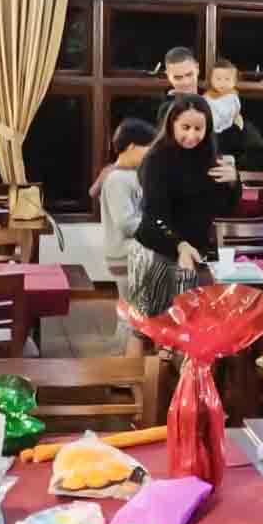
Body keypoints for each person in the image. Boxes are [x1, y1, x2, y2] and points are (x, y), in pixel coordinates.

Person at [124, 94, 240, 320]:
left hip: (193, 255)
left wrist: (234, 183)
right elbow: (154, 216)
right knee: (151, 326)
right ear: (172, 125)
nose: (192, 135)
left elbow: (225, 208)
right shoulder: (156, 160)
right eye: (185, 127)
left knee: (190, 326)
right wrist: (179, 244)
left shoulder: (209, 158)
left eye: (199, 128)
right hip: (156, 251)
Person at [102, 118, 157, 355]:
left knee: (129, 309)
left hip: (132, 254)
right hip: (126, 255)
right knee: (133, 312)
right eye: (148, 149)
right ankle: (125, 361)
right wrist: (156, 230)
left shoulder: (130, 176)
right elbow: (125, 222)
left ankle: (125, 358)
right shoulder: (117, 179)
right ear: (132, 146)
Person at [205, 57, 244, 144]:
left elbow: (236, 112)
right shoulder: (207, 96)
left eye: (227, 79)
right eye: (218, 79)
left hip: (227, 129)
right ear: (211, 80)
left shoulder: (233, 96)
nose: (222, 83)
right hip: (210, 129)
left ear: (234, 82)